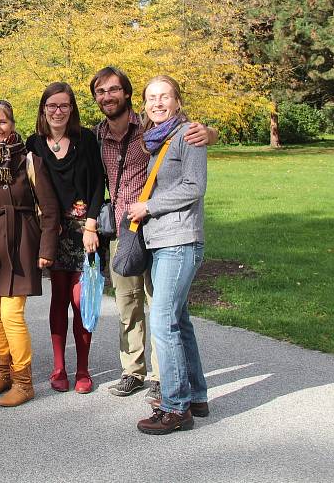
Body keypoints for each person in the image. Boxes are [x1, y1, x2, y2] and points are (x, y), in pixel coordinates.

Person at [90, 66, 217, 401]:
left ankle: (165, 380)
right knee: (127, 303)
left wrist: (211, 132)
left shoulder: (147, 128)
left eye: (114, 90)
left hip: (161, 227)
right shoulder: (97, 134)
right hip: (125, 228)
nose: (108, 97)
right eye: (101, 92)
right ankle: (133, 370)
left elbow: (189, 140)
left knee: (160, 306)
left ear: (128, 95)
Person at [0, 100, 59, 407]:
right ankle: (2, 373)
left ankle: (23, 381)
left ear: (13, 125)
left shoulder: (29, 161)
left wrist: (46, 249)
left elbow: (51, 209)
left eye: (2, 122)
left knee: (11, 314)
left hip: (22, 242)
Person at [128, 75, 208, 434]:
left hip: (179, 239)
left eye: (165, 97)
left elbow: (194, 187)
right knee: (179, 319)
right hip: (162, 240)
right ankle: (196, 396)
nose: (157, 103)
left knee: (163, 321)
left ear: (177, 101)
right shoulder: (158, 138)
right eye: (151, 98)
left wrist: (149, 206)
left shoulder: (189, 134)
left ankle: (176, 408)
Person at [25, 82, 105, 394]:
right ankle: (59, 367)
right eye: (52, 106)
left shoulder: (86, 139)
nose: (58, 111)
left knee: (81, 300)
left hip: (86, 232)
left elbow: (99, 184)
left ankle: (83, 369)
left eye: (64, 105)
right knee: (59, 299)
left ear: (72, 109)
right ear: (43, 109)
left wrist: (91, 225)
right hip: (52, 233)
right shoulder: (33, 144)